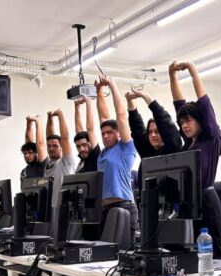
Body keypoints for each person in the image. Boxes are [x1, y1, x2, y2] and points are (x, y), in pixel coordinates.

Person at [169, 60, 221, 258]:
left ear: (200, 121)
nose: (185, 125)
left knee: (212, 252)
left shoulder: (210, 137)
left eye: (189, 121)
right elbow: (179, 105)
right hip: (190, 203)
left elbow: (204, 104)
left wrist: (194, 71)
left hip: (207, 202)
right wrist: (172, 76)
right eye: (182, 122)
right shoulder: (189, 143)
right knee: (194, 252)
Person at [95, 75, 139, 242]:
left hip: (124, 206)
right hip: (106, 208)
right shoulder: (104, 152)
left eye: (110, 133)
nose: (105, 136)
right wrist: (99, 90)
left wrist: (112, 85)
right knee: (106, 253)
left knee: (123, 255)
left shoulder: (125, 148)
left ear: (119, 133)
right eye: (103, 134)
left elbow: (120, 115)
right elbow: (103, 117)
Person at [125, 87, 183, 184]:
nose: (153, 135)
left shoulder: (172, 149)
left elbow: (164, 121)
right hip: (147, 198)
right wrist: (130, 101)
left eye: (157, 131)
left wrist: (146, 97)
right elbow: (137, 128)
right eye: (150, 132)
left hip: (169, 198)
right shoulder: (147, 151)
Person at [72, 96, 101, 173]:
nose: (81, 149)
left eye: (84, 145)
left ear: (90, 143)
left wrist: (88, 103)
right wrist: (77, 106)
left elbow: (90, 129)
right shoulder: (83, 160)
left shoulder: (96, 156)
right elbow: (79, 130)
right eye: (78, 146)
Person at [20, 114, 49, 184]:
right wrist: (28, 123)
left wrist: (38, 122)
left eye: (30, 153)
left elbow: (40, 143)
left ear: (37, 152)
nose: (27, 155)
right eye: (25, 153)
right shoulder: (24, 172)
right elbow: (28, 140)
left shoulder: (43, 165)